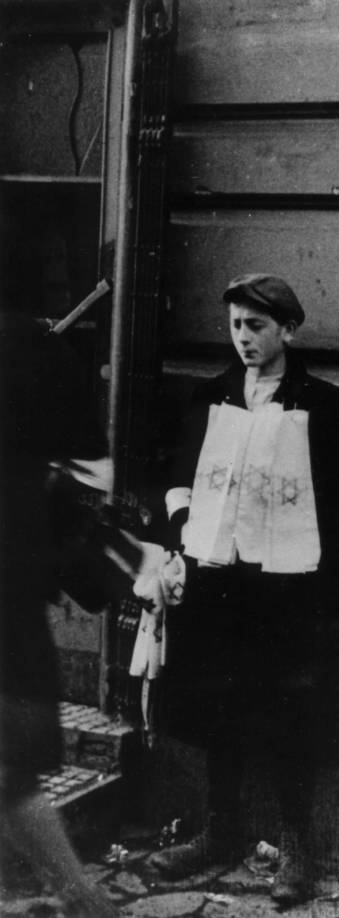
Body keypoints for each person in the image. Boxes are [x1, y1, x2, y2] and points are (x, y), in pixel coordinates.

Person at [148, 273, 339, 903]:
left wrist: (328, 573)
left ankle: (297, 848)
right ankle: (220, 831)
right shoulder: (212, 396)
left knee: (288, 715)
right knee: (218, 709)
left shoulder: (323, 406)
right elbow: (177, 476)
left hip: (285, 593)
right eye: (235, 326)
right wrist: (181, 534)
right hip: (216, 584)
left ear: (287, 329)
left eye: (256, 326)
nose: (244, 339)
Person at [0, 303, 123, 918]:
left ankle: (83, 901)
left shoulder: (29, 348)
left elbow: (88, 475)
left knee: (10, 773)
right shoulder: (34, 347)